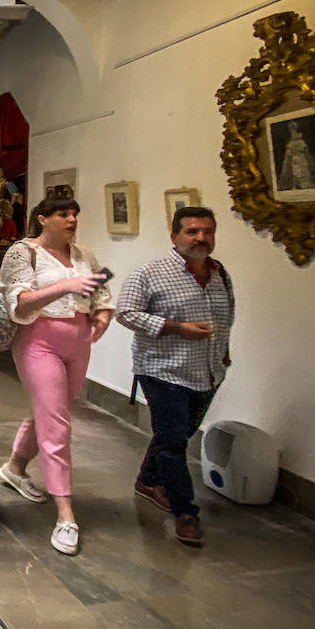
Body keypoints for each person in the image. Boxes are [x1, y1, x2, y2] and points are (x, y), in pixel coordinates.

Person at [0, 196, 114, 555]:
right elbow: (19, 301)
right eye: (63, 214)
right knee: (57, 424)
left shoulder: (84, 256)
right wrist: (66, 287)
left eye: (75, 213)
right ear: (43, 219)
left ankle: (15, 468)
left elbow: (102, 292)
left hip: (78, 341)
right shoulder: (23, 252)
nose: (72, 219)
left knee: (52, 412)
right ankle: (65, 513)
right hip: (38, 340)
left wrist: (102, 316)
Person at [115, 206, 234, 547]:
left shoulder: (219, 273)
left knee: (177, 433)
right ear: (174, 236)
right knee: (172, 440)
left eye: (207, 231)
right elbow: (126, 313)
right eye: (192, 231)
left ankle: (147, 479)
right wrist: (177, 328)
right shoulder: (150, 273)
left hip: (207, 371)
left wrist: (223, 350)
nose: (201, 238)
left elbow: (228, 314)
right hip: (163, 370)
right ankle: (185, 511)